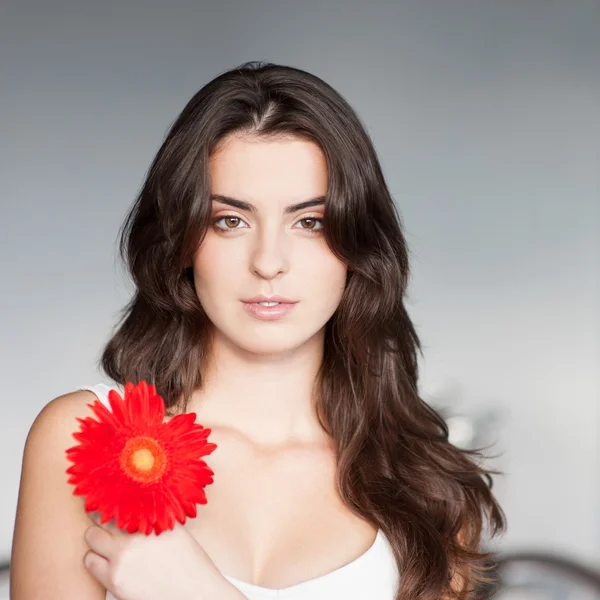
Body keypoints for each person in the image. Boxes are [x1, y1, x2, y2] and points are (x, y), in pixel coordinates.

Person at [9, 61, 505, 600]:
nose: (269, 262)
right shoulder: (85, 436)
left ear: (358, 248)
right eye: (230, 220)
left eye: (309, 222)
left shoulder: (426, 489)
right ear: (182, 240)